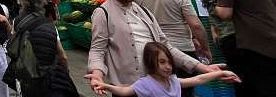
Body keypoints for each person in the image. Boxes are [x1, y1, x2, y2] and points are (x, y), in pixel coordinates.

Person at [86, 0, 223, 95]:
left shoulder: (144, 12)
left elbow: (166, 46)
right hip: (127, 87)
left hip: (155, 85)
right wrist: (97, 74)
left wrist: (201, 67)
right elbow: (98, 49)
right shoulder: (103, 13)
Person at [134, 0, 211, 96]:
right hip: (181, 49)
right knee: (184, 91)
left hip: (151, 50)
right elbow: (196, 25)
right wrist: (205, 49)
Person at [213, 0, 276, 97]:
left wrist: (215, 7)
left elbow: (224, 14)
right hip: (272, 42)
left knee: (262, 89)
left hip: (255, 46)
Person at [91, 41, 239, 97]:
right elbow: (124, 91)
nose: (168, 66)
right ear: (151, 63)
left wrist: (220, 73)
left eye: (169, 62)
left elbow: (198, 79)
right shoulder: (145, 84)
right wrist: (105, 85)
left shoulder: (173, 81)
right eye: (162, 62)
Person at [7, 0, 77, 97]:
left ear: (22, 1)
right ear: (42, 2)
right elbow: (62, 56)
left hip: (27, 79)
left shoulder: (17, 22)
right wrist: (66, 73)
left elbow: (15, 47)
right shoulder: (49, 25)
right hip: (49, 79)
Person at [202, 0, 241, 96]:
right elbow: (215, 14)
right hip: (230, 35)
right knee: (238, 72)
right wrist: (214, 29)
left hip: (233, 35)